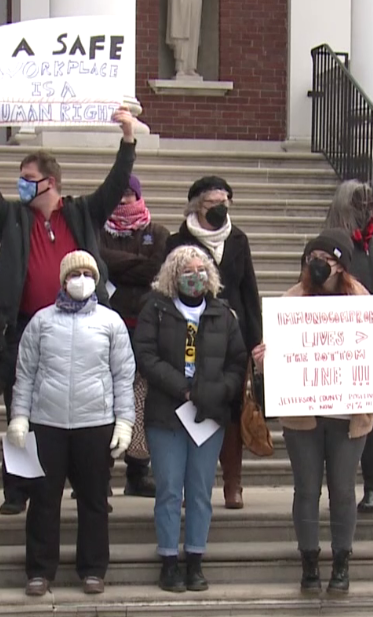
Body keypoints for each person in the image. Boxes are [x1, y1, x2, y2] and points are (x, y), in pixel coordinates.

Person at [0, 104, 137, 515]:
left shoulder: (80, 213)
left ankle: (90, 486)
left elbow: (115, 186)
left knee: (89, 411)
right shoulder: (11, 218)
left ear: (51, 183)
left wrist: (128, 139)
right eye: (20, 180)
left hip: (82, 326)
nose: (21, 187)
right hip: (24, 327)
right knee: (18, 406)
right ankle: (18, 488)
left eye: (29, 180)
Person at [252, 229, 373, 594]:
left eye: (325, 259)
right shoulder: (290, 302)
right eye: (312, 259)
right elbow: (279, 360)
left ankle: (342, 562)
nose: (317, 265)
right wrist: (265, 362)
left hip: (350, 418)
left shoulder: (365, 303)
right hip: (302, 417)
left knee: (343, 490)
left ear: (341, 264)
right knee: (306, 489)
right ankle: (309, 562)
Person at [7, 251, 136, 596]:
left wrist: (125, 422)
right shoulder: (41, 321)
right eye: (74, 273)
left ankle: (93, 569)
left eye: (87, 273)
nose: (81, 279)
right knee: (43, 499)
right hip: (47, 422)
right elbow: (25, 374)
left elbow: (124, 377)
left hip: (95, 423)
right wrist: (19, 417)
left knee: (93, 499)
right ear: (63, 280)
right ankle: (39, 570)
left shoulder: (111, 322)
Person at [133, 245, 247, 593]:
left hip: (209, 415)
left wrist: (219, 391)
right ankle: (169, 560)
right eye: (187, 270)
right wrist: (183, 389)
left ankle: (195, 559)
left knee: (199, 490)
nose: (195, 276)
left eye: (201, 269)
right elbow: (146, 355)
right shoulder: (156, 308)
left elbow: (237, 360)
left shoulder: (223, 314)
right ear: (173, 275)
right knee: (169, 488)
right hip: (166, 413)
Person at [165, 176, 261, 510]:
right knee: (193, 407)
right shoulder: (179, 241)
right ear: (196, 206)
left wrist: (256, 342)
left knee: (232, 410)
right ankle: (188, 485)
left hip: (232, 336)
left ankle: (233, 482)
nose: (220, 208)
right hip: (194, 334)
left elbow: (250, 293)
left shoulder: (238, 240)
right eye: (212, 203)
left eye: (225, 202)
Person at [323, 180, 373, 515]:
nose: (367, 209)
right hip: (339, 341)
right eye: (360, 203)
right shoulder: (330, 246)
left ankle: (372, 488)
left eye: (369, 203)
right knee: (337, 425)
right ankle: (341, 486)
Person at [97, 173, 169, 498]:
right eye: (120, 195)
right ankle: (99, 471)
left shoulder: (158, 232)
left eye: (130, 195)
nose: (124, 200)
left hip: (144, 326)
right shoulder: (98, 230)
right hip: (106, 325)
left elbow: (158, 270)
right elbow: (98, 263)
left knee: (140, 396)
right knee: (104, 396)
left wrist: (119, 266)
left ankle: (137, 472)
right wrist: (137, 265)